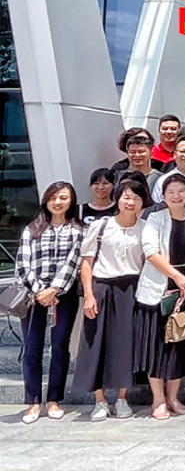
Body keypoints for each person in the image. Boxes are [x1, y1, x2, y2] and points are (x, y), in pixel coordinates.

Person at [72, 179, 150, 422]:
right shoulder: (101, 226)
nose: (131, 202)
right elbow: (86, 262)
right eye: (126, 196)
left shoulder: (146, 228)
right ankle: (100, 400)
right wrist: (89, 295)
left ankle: (122, 398)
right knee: (96, 342)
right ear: (117, 198)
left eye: (136, 198)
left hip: (132, 288)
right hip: (102, 286)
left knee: (126, 344)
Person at [134, 174, 185, 420]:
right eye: (171, 192)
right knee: (156, 348)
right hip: (158, 291)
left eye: (181, 191)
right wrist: (178, 277)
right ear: (162, 196)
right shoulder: (155, 219)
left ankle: (173, 397)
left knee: (179, 347)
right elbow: (151, 252)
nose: (176, 196)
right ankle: (158, 400)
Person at [15, 182, 84, 424]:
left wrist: (55, 289)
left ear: (71, 201)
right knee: (32, 347)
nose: (57, 202)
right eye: (53, 197)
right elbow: (22, 263)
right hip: (33, 295)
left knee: (60, 346)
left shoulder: (78, 231)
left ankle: (54, 399)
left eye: (63, 198)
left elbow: (73, 263)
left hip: (63, 294)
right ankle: (33, 401)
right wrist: (39, 291)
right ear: (45, 200)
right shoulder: (32, 229)